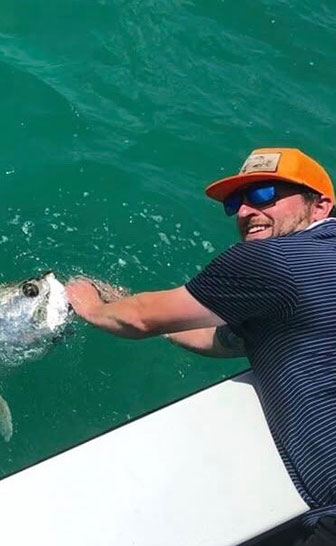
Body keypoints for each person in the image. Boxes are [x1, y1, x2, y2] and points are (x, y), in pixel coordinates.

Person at [65, 148, 336, 546]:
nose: (245, 211)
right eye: (235, 202)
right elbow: (224, 339)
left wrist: (90, 306)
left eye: (264, 195)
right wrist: (157, 317)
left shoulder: (270, 260)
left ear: (320, 206)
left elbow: (139, 319)